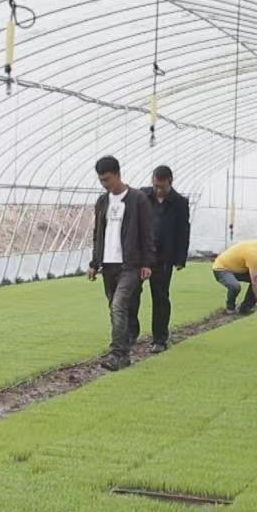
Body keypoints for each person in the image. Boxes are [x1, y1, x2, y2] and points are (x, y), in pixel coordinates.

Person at [87, 156, 155, 371]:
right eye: (101, 181)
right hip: (108, 264)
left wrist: (147, 262)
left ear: (117, 174)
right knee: (115, 307)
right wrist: (94, 262)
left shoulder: (138, 199)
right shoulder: (102, 202)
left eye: (107, 179)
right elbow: (98, 233)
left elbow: (147, 233)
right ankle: (124, 347)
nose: (104, 184)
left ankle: (118, 354)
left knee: (118, 306)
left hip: (130, 264)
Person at [130, 165, 190, 354]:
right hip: (140, 256)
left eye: (162, 186)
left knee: (161, 297)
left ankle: (160, 338)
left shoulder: (179, 202)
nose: (158, 190)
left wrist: (180, 257)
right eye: (155, 185)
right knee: (132, 294)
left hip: (163, 257)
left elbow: (183, 231)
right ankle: (131, 334)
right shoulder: (142, 196)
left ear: (170, 182)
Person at [211, 237, 257, 315]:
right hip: (221, 269)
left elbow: (256, 277)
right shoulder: (253, 254)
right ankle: (230, 308)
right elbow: (254, 280)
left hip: (237, 268)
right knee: (235, 286)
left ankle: (245, 308)